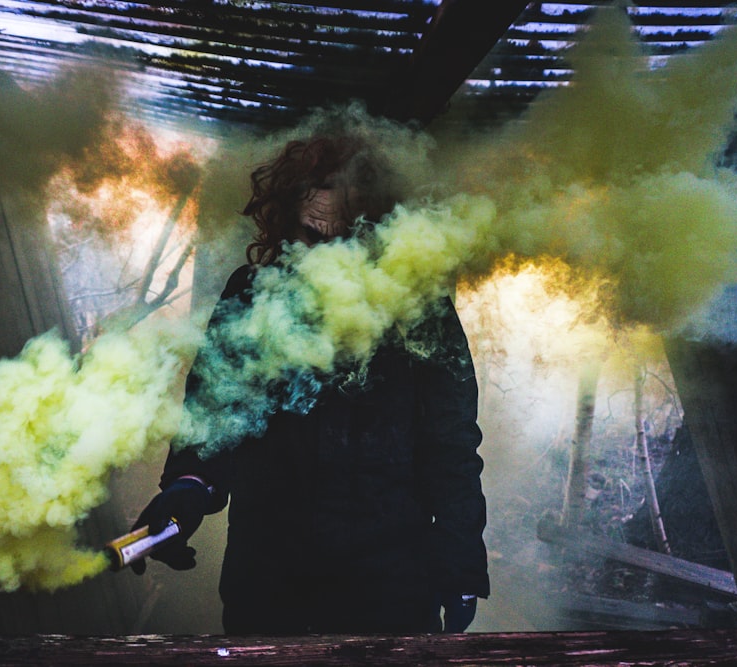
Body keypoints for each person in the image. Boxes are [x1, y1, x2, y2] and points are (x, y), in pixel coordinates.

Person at [130, 135, 489, 634]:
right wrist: (188, 486)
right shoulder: (251, 296)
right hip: (270, 583)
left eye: (343, 237)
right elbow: (212, 416)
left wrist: (460, 560)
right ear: (283, 220)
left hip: (390, 587)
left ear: (377, 230)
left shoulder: (420, 310)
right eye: (312, 235)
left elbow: (450, 447)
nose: (326, 253)